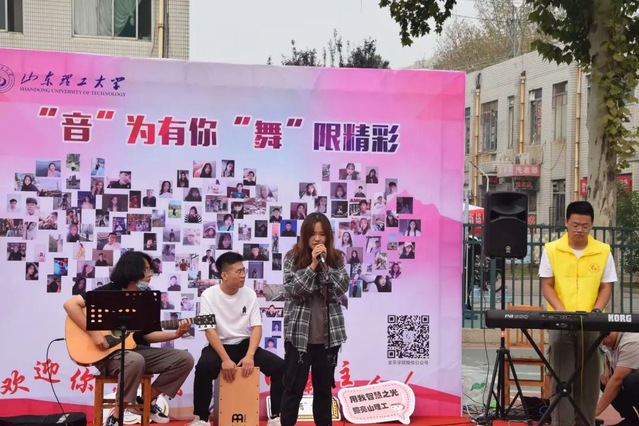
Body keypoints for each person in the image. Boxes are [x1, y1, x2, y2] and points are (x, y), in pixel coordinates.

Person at [63, 251, 194, 426]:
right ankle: (116, 417)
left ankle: (144, 402)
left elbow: (148, 334)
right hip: (108, 353)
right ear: (133, 270)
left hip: (135, 351)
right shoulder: (109, 291)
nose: (150, 274)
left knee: (184, 359)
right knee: (134, 360)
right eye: (146, 270)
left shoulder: (146, 297)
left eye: (150, 270)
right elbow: (70, 305)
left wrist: (176, 334)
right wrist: (94, 333)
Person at [540, 201, 617, 426]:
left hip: (591, 322)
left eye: (585, 226)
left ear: (591, 225)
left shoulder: (603, 250)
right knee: (561, 379)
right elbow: (547, 285)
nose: (579, 230)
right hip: (560, 321)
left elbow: (606, 287)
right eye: (575, 225)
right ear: (566, 222)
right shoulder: (552, 249)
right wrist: (561, 311)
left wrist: (596, 311)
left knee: (589, 380)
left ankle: (585, 422)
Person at [188, 252, 284, 426]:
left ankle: (276, 416)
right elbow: (209, 330)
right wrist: (225, 359)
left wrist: (250, 355)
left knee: (280, 368)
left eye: (244, 270)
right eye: (238, 271)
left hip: (244, 346)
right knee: (203, 367)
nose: (243, 275)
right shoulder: (208, 295)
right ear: (224, 275)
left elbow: (256, 327)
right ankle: (201, 418)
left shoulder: (250, 294)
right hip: (219, 346)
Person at [281, 213, 349, 426]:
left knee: (323, 391)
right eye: (313, 234)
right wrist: (312, 266)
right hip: (299, 338)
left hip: (329, 338)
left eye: (322, 234)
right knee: (293, 388)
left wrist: (325, 266)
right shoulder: (292, 257)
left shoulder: (336, 259)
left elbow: (340, 288)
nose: (317, 239)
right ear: (305, 235)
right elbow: (293, 289)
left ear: (328, 236)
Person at [596, 332, 639, 425]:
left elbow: (618, 379)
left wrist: (597, 410)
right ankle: (632, 420)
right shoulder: (611, 342)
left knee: (630, 381)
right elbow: (605, 354)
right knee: (604, 380)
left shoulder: (631, 341)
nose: (602, 342)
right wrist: (606, 368)